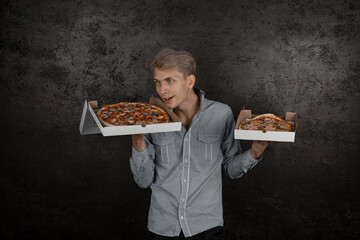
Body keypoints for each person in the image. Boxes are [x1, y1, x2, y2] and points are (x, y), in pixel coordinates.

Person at [130, 48, 269, 239]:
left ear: (190, 81)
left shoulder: (221, 114)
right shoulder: (149, 119)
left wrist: (255, 151)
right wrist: (137, 141)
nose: (162, 90)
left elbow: (230, 169)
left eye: (170, 80)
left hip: (207, 227)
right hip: (162, 228)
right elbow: (143, 181)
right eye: (158, 82)